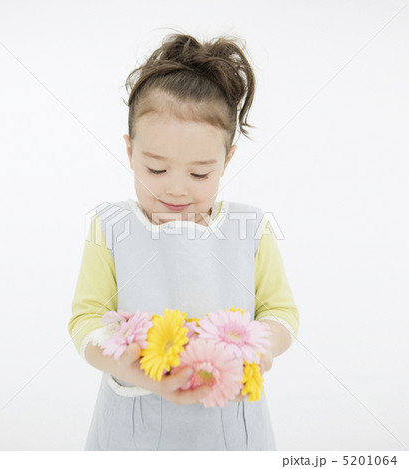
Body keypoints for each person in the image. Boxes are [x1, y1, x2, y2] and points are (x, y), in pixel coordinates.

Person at [68, 31, 299, 451]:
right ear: (130, 150)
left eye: (199, 174)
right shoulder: (111, 226)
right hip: (132, 427)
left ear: (227, 159)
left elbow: (280, 311)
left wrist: (260, 351)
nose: (175, 189)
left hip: (232, 428)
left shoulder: (251, 227)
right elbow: (86, 319)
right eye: (155, 169)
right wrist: (131, 366)